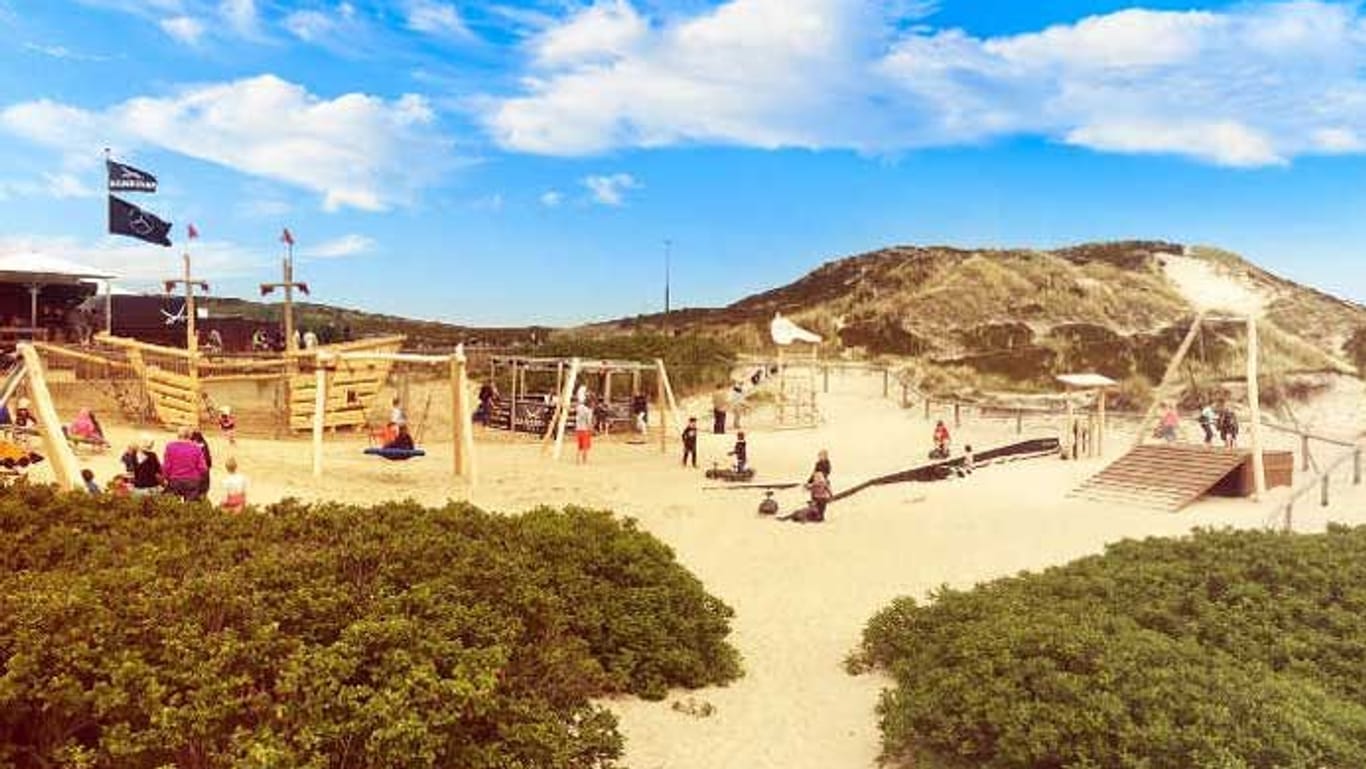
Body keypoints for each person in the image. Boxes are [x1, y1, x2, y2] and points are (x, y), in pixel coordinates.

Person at [162, 427, 208, 501]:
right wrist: (199, 477)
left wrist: (165, 478)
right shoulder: (196, 447)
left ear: (178, 435)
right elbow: (203, 468)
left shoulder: (170, 446)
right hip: (192, 480)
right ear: (190, 436)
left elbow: (166, 466)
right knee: (190, 506)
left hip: (175, 479)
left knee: (173, 504)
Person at [190, 430, 213, 499]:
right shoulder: (204, 445)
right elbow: (208, 462)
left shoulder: (190, 446)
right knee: (203, 495)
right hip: (204, 475)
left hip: (193, 476)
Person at [575, 397, 594, 464]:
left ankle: (577, 460)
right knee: (585, 446)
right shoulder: (588, 410)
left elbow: (577, 407)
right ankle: (584, 461)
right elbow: (588, 421)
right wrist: (591, 428)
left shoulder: (579, 408)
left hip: (578, 429)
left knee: (579, 446)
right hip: (585, 429)